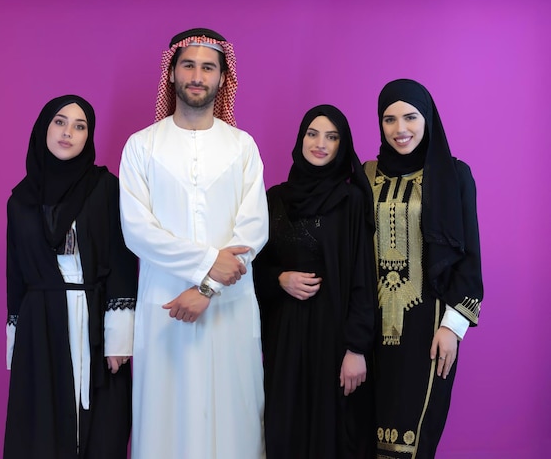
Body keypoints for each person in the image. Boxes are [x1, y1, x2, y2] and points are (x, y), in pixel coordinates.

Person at [119, 28, 268, 459]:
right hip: (166, 306)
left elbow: (252, 230)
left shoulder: (242, 146)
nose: (197, 75)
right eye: (189, 65)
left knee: (234, 417)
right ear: (172, 73)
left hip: (230, 306)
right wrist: (208, 263)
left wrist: (208, 288)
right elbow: (137, 231)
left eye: (208, 67)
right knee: (166, 419)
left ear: (223, 78)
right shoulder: (141, 146)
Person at [4, 94, 138, 459]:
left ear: (88, 136)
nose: (68, 133)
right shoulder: (20, 200)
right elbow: (15, 273)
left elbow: (122, 259)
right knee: (41, 426)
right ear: (44, 128)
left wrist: (118, 339)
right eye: (60, 122)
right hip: (39, 323)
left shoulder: (104, 188)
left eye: (80, 126)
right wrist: (17, 341)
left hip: (93, 319)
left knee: (101, 425)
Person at [364, 79, 483, 458]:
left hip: (430, 327)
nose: (400, 129)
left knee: (413, 440)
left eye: (411, 117)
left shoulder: (453, 175)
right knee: (364, 435)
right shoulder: (365, 176)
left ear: (428, 118)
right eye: (389, 119)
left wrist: (453, 326)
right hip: (367, 326)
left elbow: (469, 256)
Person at [253, 105, 377, 459]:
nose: (320, 144)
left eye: (331, 136)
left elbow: (362, 276)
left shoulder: (351, 200)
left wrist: (356, 349)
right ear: (301, 139)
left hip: (333, 334)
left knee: (332, 430)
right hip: (284, 333)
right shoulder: (274, 198)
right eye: (312, 133)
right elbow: (254, 266)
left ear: (342, 145)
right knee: (284, 423)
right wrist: (280, 278)